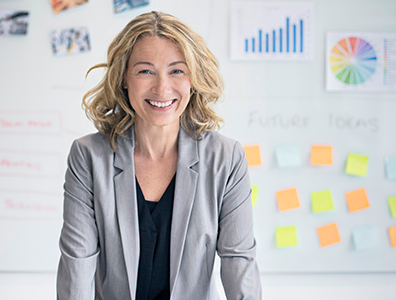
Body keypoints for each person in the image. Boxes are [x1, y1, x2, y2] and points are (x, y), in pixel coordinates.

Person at [57, 11, 262, 300]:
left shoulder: (226, 158)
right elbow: (76, 266)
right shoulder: (88, 157)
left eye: (176, 70)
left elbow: (239, 263)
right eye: (145, 71)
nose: (162, 88)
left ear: (193, 78)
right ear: (123, 78)